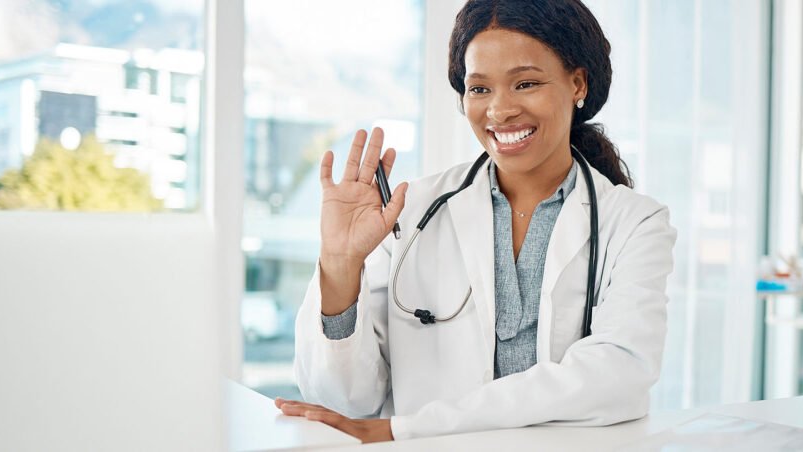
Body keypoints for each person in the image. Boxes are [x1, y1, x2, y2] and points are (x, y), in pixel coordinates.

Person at [275, 0, 677, 442]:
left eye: (526, 83)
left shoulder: (636, 224)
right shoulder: (411, 213)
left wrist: (409, 428)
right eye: (480, 89)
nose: (500, 111)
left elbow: (616, 378)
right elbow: (345, 405)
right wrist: (340, 263)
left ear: (577, 83)